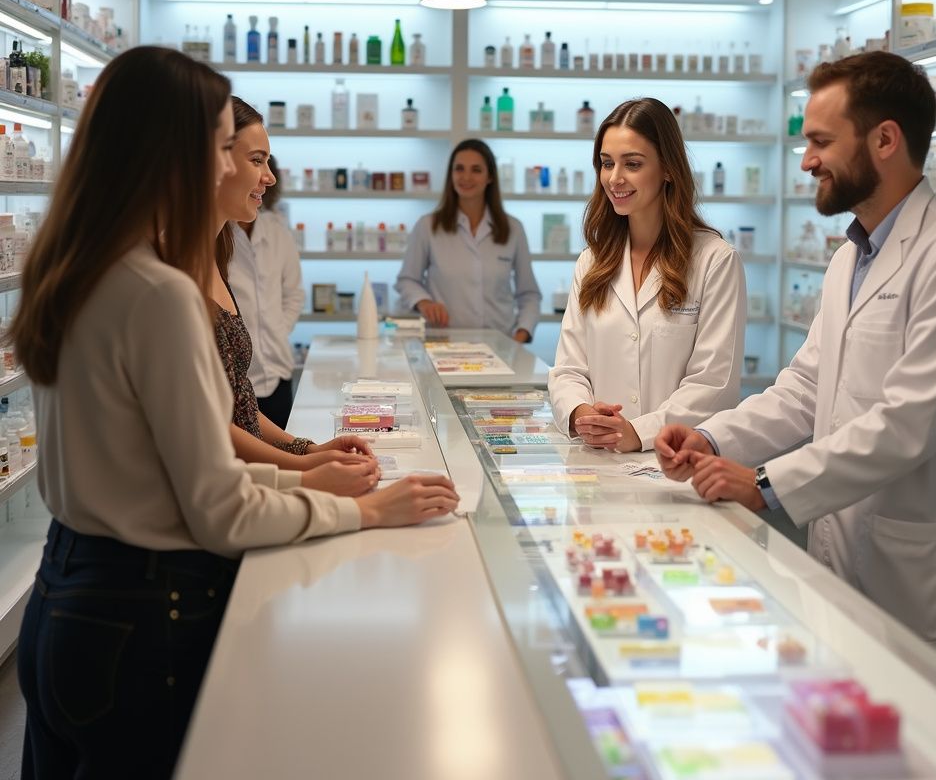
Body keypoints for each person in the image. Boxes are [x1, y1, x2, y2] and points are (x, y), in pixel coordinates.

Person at [12, 48, 459, 780]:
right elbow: (218, 511)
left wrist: (303, 470)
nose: (239, 167)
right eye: (224, 145)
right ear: (174, 153)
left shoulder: (75, 268)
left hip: (62, 599)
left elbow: (156, 464)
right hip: (138, 613)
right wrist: (361, 509)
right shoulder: (157, 293)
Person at [654, 51, 936, 683]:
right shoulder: (851, 256)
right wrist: (712, 437)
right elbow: (804, 387)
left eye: (821, 140)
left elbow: (907, 424)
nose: (806, 160)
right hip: (840, 568)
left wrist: (763, 484)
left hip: (923, 592)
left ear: (884, 139)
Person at [549, 97, 745, 453]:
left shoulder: (714, 260)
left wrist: (638, 432)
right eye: (606, 164)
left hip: (676, 462)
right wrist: (582, 414)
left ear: (668, 169)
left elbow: (714, 384)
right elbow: (568, 369)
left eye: (633, 164)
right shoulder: (591, 262)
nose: (614, 178)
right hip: (599, 464)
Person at [213, 97, 380, 498]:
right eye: (257, 160)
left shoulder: (214, 253)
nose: (269, 177)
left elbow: (236, 407)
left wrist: (307, 451)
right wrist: (304, 469)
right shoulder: (166, 274)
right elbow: (207, 428)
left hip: (234, 492)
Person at [395, 138, 540, 341]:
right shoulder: (428, 226)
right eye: (459, 169)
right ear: (451, 175)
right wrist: (424, 302)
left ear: (490, 177)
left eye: (476, 170)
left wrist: (522, 334)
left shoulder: (512, 229)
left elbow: (529, 294)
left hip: (499, 346)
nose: (466, 177)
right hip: (443, 344)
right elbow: (407, 280)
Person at [228, 151, 303, 429]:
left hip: (278, 370)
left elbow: (294, 294)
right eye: (257, 162)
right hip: (235, 376)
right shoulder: (216, 234)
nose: (267, 177)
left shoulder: (277, 231)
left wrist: (277, 329)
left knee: (280, 450)